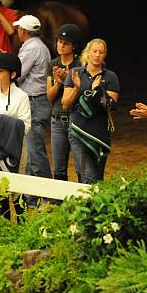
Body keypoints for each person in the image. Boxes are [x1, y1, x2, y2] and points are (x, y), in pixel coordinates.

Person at [62, 38, 120, 184]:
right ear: (88, 53)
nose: (97, 55)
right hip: (78, 131)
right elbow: (65, 105)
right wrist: (76, 88)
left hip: (99, 134)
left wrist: (98, 90)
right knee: (89, 177)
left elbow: (112, 106)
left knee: (97, 178)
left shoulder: (110, 77)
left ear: (105, 55)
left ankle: (90, 206)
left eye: (101, 52)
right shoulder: (75, 73)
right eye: (94, 51)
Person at [15, 15, 53, 184]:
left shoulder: (31, 48)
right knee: (32, 151)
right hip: (38, 101)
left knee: (35, 150)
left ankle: (49, 195)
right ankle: (32, 197)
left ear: (24, 30)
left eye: (18, 28)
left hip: (35, 102)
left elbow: (18, 73)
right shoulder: (40, 46)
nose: (17, 31)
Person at [46, 24, 83, 181]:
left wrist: (72, 81)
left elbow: (85, 92)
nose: (61, 45)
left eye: (66, 43)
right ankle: (58, 203)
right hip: (57, 119)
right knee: (59, 168)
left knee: (81, 166)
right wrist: (60, 82)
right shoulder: (52, 64)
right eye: (59, 41)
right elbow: (49, 96)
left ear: (74, 46)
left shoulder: (81, 64)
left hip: (76, 118)